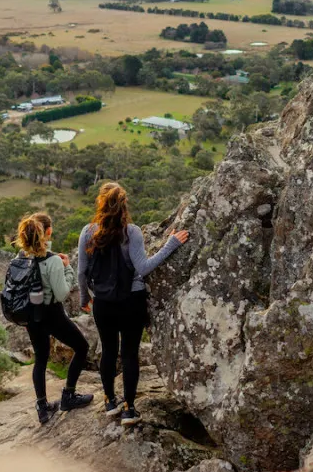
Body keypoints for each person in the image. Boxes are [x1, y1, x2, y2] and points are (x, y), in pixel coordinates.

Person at [78, 182, 188, 426]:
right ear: (124, 204)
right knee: (129, 354)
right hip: (131, 301)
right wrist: (171, 244)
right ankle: (128, 409)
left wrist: (85, 299)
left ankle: (109, 401)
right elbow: (144, 267)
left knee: (108, 350)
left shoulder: (88, 232)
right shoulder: (132, 232)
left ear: (101, 203)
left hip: (103, 303)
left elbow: (81, 272)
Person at [15, 213, 94, 424]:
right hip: (52, 314)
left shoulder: (20, 258)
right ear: (47, 232)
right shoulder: (52, 261)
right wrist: (67, 267)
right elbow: (61, 294)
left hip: (32, 316)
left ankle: (42, 407)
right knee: (82, 347)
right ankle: (68, 395)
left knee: (40, 359)